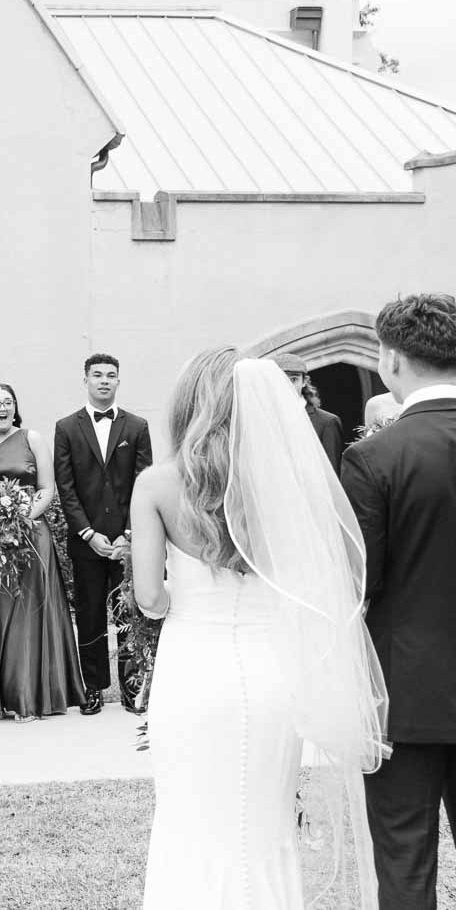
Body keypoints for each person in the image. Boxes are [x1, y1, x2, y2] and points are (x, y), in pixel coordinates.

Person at [134, 349, 387, 908]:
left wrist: (187, 596)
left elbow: (149, 599)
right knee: (265, 822)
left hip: (193, 671)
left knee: (190, 814)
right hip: (271, 671)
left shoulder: (157, 485)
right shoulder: (282, 487)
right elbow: (321, 576)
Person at [342, 293, 456, 908]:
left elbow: (358, 587)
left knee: (405, 866)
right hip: (408, 699)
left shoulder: (373, 457)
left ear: (391, 360)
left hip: (402, 700)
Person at [0, 384, 84, 720]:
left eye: (7, 402)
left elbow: (47, 488)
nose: (2, 408)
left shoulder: (33, 439)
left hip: (31, 534)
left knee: (30, 611)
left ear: (15, 408)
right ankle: (2, 696)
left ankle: (31, 695)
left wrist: (23, 515)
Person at [52, 352, 153, 716]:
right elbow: (66, 488)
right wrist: (87, 533)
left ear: (118, 381)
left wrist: (129, 534)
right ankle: (92, 688)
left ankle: (132, 689)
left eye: (111, 375)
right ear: (86, 380)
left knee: (129, 615)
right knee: (91, 616)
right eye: (97, 375)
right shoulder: (66, 428)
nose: (104, 381)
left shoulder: (137, 426)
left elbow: (144, 484)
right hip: (87, 542)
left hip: (127, 543)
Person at [273, 353, 344, 474]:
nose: (287, 386)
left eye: (293, 379)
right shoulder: (264, 418)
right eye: (281, 379)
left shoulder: (327, 422)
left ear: (304, 381)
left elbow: (333, 475)